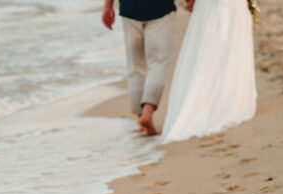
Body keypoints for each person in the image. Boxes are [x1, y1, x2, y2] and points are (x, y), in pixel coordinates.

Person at [162, 0, 257, 141]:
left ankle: (209, 102)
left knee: (207, 53)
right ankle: (226, 99)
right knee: (230, 50)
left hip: (209, 7)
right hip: (229, 6)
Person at [102, 0, 177, 135]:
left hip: (129, 8)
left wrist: (108, 6)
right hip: (160, 8)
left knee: (135, 66)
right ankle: (147, 113)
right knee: (158, 62)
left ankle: (140, 118)